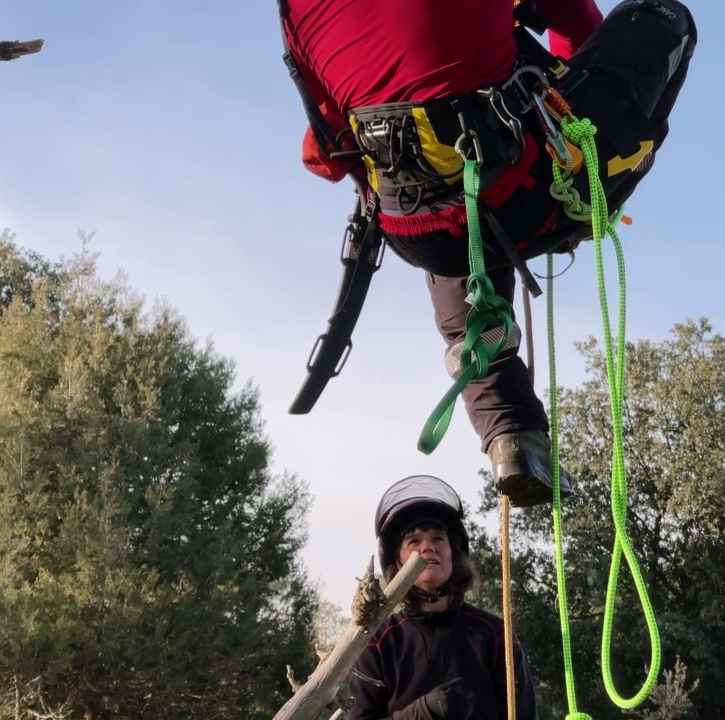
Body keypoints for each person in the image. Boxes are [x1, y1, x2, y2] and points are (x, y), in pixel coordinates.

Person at [276, 0, 697, 507]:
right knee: (662, 14)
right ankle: (603, 178)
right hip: (530, 197)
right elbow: (583, 30)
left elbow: (322, 154)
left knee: (454, 191)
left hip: (415, 230)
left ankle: (511, 433)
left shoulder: (294, 11)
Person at [348, 474, 539, 719]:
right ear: (397, 561)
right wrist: (421, 713)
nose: (428, 547)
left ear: (453, 553)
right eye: (414, 541)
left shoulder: (494, 635)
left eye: (438, 538)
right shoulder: (377, 642)